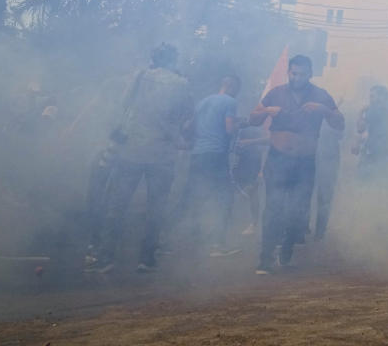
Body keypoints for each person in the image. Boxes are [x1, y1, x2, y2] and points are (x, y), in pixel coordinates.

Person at [86, 44, 192, 273]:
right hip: (163, 154)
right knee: (157, 207)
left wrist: (113, 137)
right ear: (174, 60)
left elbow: (123, 107)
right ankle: (147, 259)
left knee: (118, 204)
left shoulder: (141, 76)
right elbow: (184, 115)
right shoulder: (182, 84)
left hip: (132, 150)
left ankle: (106, 257)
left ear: (154, 58)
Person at [248, 55, 344, 273]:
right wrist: (266, 111)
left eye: (301, 73)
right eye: (293, 73)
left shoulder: (321, 95)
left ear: (310, 74)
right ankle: (265, 258)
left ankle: (286, 252)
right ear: (288, 72)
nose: (297, 77)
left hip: (305, 163)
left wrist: (324, 110)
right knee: (273, 208)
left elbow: (340, 124)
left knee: (298, 210)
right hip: (278, 160)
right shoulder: (276, 93)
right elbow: (253, 118)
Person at [184, 75, 243, 256]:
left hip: (197, 154)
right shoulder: (230, 102)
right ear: (232, 87)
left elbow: (188, 127)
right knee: (224, 198)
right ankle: (217, 245)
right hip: (216, 154)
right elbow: (229, 129)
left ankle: (178, 242)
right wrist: (239, 125)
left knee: (194, 196)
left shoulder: (203, 101)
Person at [354, 85, 388, 179]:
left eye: (372, 96)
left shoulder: (376, 109)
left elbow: (360, 128)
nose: (370, 99)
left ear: (382, 97)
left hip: (373, 153)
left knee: (365, 182)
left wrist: (361, 111)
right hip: (385, 153)